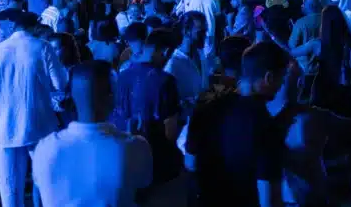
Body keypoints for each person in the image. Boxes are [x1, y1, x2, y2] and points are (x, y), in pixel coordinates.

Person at [0, 11, 68, 207]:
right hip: (40, 126)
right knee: (46, 187)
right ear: (35, 27)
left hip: (4, 128)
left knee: (10, 194)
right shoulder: (43, 47)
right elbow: (60, 83)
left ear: (13, 28)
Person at [32, 60, 153, 206]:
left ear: (72, 96)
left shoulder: (45, 148)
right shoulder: (135, 147)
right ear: (113, 97)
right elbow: (143, 190)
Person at [184, 41, 289, 207]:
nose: (282, 84)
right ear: (269, 77)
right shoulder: (267, 126)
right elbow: (269, 200)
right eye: (282, 77)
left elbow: (190, 164)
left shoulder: (205, 106)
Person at [112, 28, 183, 191]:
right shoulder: (166, 81)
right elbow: (170, 129)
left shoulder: (121, 76)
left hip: (125, 156)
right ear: (166, 52)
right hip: (155, 160)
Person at [165, 11, 213, 117]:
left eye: (205, 31)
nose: (205, 36)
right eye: (200, 32)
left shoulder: (201, 54)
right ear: (186, 31)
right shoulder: (174, 63)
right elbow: (167, 101)